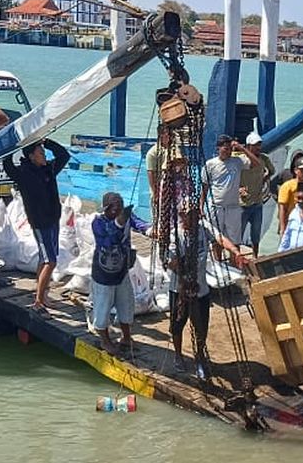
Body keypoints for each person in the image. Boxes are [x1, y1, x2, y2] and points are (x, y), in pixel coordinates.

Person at [164, 199, 248, 378]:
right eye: (189, 215)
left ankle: (200, 356)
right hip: (179, 290)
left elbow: (219, 238)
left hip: (201, 290)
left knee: (201, 326)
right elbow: (169, 262)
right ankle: (178, 356)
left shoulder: (204, 228)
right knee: (177, 325)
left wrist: (235, 251)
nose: (193, 218)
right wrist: (181, 269)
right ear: (181, 216)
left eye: (195, 214)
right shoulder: (175, 235)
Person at [2, 138, 70, 311]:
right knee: (51, 261)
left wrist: (47, 143)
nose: (44, 156)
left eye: (44, 153)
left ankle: (43, 294)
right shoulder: (23, 174)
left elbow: (64, 155)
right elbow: (7, 164)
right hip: (40, 223)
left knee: (45, 258)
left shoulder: (49, 169)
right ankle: (39, 301)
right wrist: (14, 146)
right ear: (31, 156)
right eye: (40, 153)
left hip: (53, 218)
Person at [91, 192, 150, 355]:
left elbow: (139, 223)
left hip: (122, 272)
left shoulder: (126, 218)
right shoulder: (98, 223)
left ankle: (126, 337)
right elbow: (109, 239)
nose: (118, 211)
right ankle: (105, 340)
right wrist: (119, 223)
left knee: (126, 305)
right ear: (107, 209)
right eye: (115, 208)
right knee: (103, 307)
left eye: (120, 207)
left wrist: (150, 229)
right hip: (103, 275)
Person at [203, 134, 260, 246]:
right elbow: (205, 186)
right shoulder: (210, 164)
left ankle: (235, 261)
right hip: (216, 206)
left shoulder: (237, 161)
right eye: (225, 149)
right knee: (216, 240)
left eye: (230, 149)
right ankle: (218, 262)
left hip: (233, 207)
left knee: (235, 241)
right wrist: (201, 206)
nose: (228, 152)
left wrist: (242, 148)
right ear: (218, 148)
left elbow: (256, 163)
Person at [237, 131, 274, 255]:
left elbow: (271, 171)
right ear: (248, 146)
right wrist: (238, 188)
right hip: (243, 203)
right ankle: (236, 256)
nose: (258, 148)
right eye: (255, 145)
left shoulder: (264, 159)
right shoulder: (241, 161)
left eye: (259, 145)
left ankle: (255, 256)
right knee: (238, 233)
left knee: (256, 234)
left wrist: (264, 179)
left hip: (257, 203)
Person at [277, 154, 303, 236]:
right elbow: (282, 209)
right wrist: (283, 229)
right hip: (290, 224)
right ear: (296, 170)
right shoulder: (287, 186)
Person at [145, 126, 172, 218]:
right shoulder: (152, 153)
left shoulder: (172, 149)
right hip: (159, 188)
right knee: (159, 217)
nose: (169, 136)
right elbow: (150, 173)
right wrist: (155, 192)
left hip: (171, 189)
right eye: (167, 134)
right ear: (161, 135)